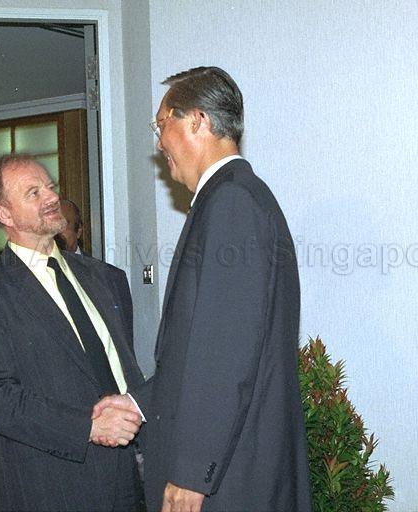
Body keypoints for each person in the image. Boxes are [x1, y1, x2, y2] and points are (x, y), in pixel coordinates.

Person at [95, 67, 313, 511]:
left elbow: (225, 356)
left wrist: (193, 473)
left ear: (197, 120)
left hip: (228, 482)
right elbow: (196, 358)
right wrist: (138, 402)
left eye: (162, 125)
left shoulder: (231, 203)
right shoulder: (238, 198)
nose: (159, 144)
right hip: (237, 467)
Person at [0, 153, 145, 511]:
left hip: (124, 472)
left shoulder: (107, 279)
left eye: (51, 187)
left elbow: (123, 369)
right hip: (46, 480)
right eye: (33, 192)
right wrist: (87, 427)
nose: (52, 197)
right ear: (4, 214)